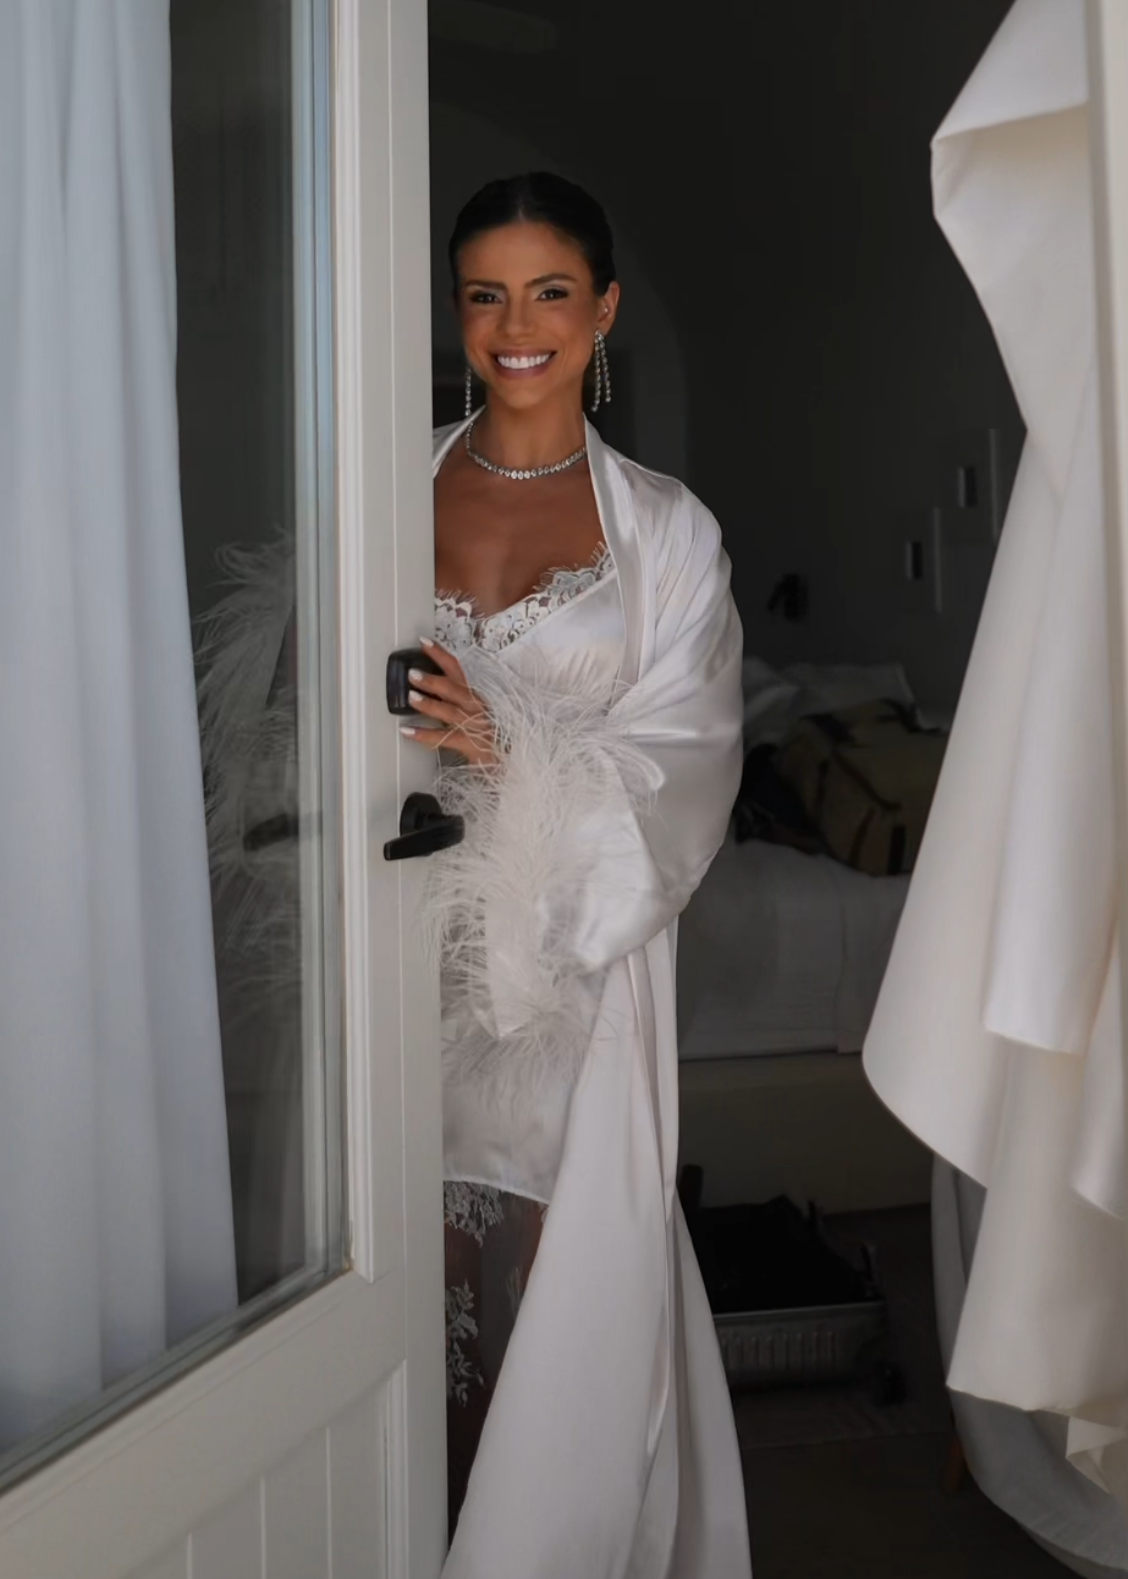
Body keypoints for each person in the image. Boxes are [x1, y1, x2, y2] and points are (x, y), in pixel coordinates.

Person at [403, 171, 752, 1579]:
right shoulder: (383, 486)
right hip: (401, 955)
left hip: (580, 972)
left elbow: (690, 765)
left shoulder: (666, 533)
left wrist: (510, 747)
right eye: (485, 294)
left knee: (556, 1286)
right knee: (399, 1284)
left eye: (550, 292)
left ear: (603, 310)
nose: (516, 326)